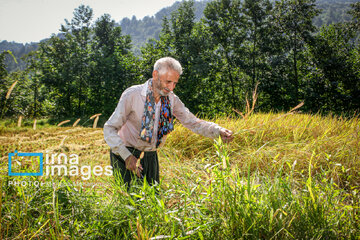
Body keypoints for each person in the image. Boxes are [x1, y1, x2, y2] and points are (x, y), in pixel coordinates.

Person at [103, 57, 233, 187]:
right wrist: (127, 156)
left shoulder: (171, 99)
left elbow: (192, 122)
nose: (171, 88)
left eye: (175, 83)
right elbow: (109, 128)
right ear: (155, 75)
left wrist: (217, 130)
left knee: (153, 201)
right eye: (168, 81)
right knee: (129, 201)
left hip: (150, 156)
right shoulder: (132, 95)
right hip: (125, 154)